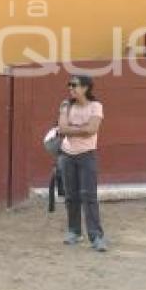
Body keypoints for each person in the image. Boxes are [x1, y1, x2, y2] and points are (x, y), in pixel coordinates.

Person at [58, 74, 108, 252]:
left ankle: (96, 236)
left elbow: (92, 129)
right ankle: (74, 231)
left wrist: (73, 130)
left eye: (74, 85)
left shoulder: (96, 106)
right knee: (71, 196)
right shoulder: (66, 105)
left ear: (86, 88)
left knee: (89, 196)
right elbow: (62, 129)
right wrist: (81, 129)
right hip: (67, 155)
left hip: (86, 155)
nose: (70, 88)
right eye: (69, 85)